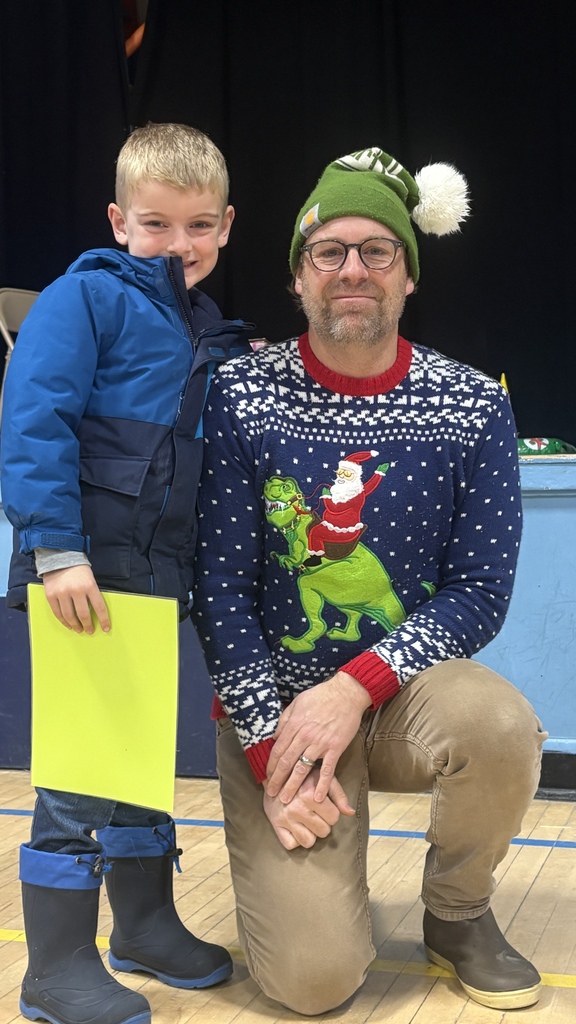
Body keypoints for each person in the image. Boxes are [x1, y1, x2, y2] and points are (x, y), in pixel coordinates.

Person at [191, 146, 547, 1015]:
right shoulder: (241, 394)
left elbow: (480, 590)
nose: (353, 269)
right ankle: (305, 849)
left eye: (376, 251)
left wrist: (353, 687)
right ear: (299, 275)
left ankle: (457, 913)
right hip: (275, 709)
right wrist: (275, 745)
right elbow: (221, 588)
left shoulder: (470, 404)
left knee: (500, 723)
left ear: (407, 275)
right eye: (330, 250)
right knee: (314, 986)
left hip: (399, 697)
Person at [0, 122, 251, 1024]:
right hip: (84, 575)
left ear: (225, 227)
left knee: (138, 762)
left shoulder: (205, 325)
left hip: (155, 583)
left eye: (196, 227)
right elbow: (33, 424)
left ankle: (142, 926)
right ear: (118, 220)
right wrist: (56, 553)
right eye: (155, 225)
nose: (176, 246)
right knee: (75, 772)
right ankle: (53, 966)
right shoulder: (83, 300)